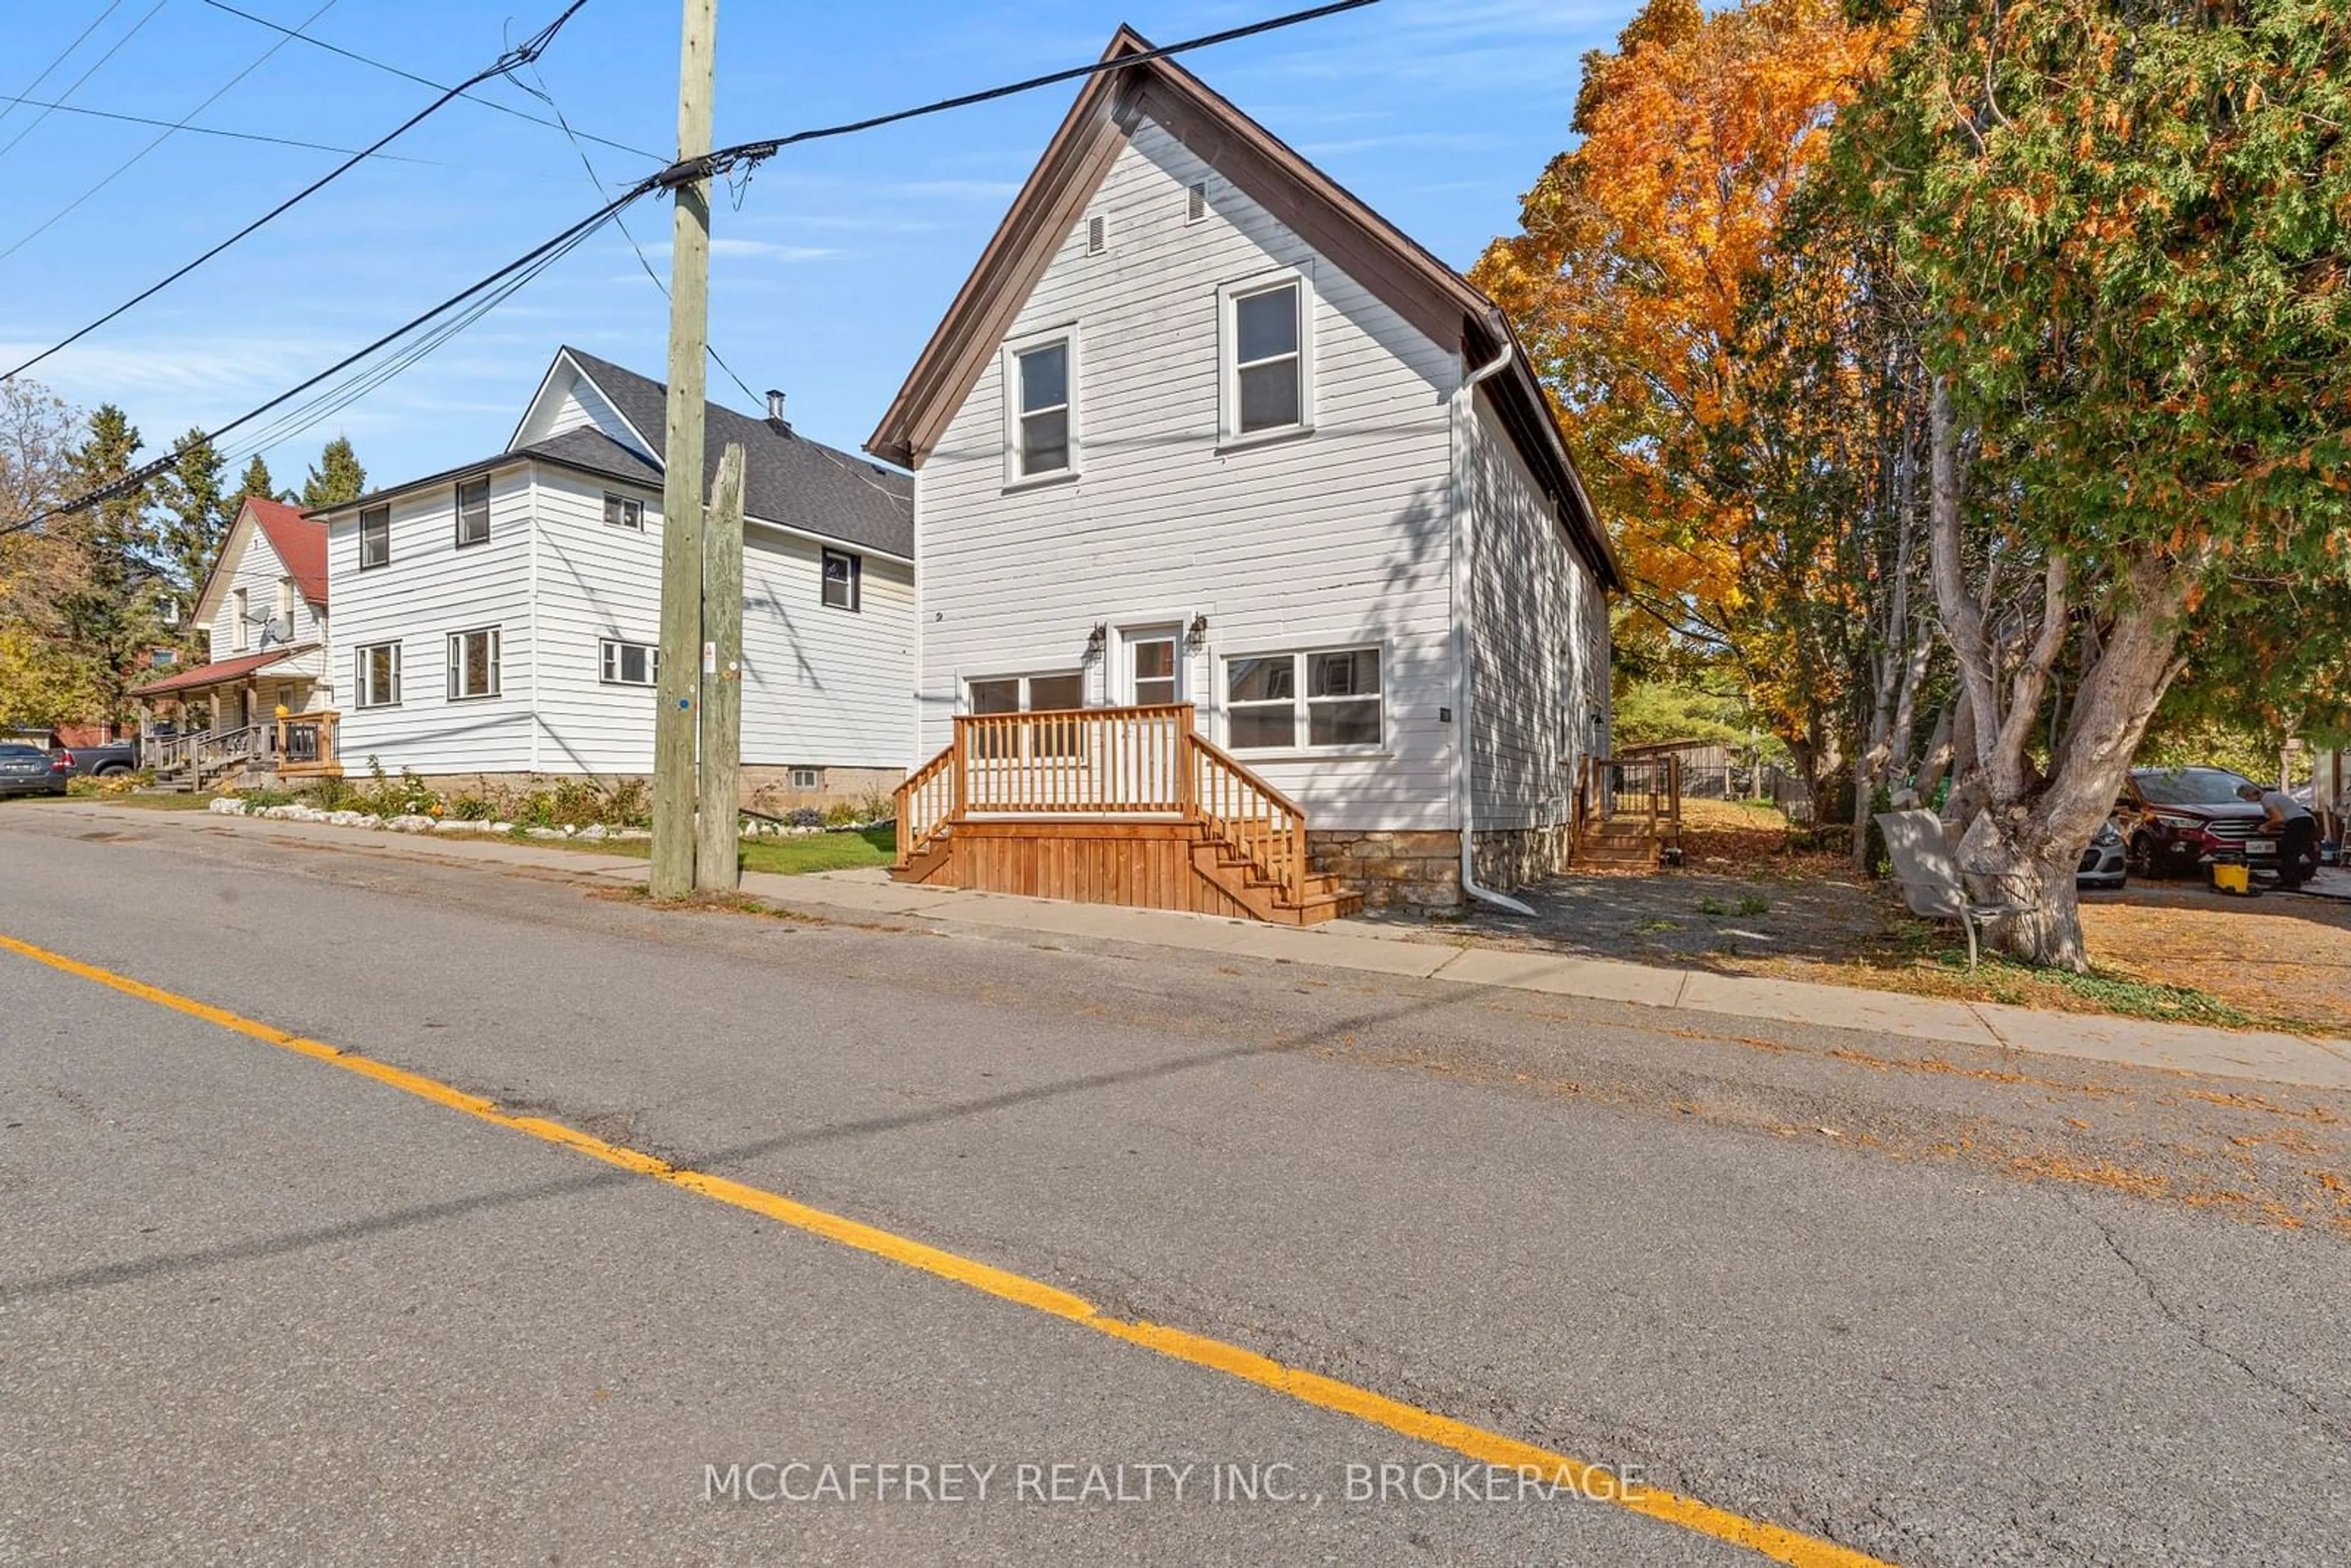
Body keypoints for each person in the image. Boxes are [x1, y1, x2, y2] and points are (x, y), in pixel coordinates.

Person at [2238, 781, 2319, 888]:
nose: (2247, 801)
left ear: (2250, 795)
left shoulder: (2266, 800)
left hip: (2298, 823)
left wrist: (2265, 826)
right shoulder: (2273, 796)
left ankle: (2292, 883)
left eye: (2246, 798)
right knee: (2290, 850)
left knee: (2289, 852)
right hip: (2305, 821)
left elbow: (2278, 819)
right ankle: (2291, 879)